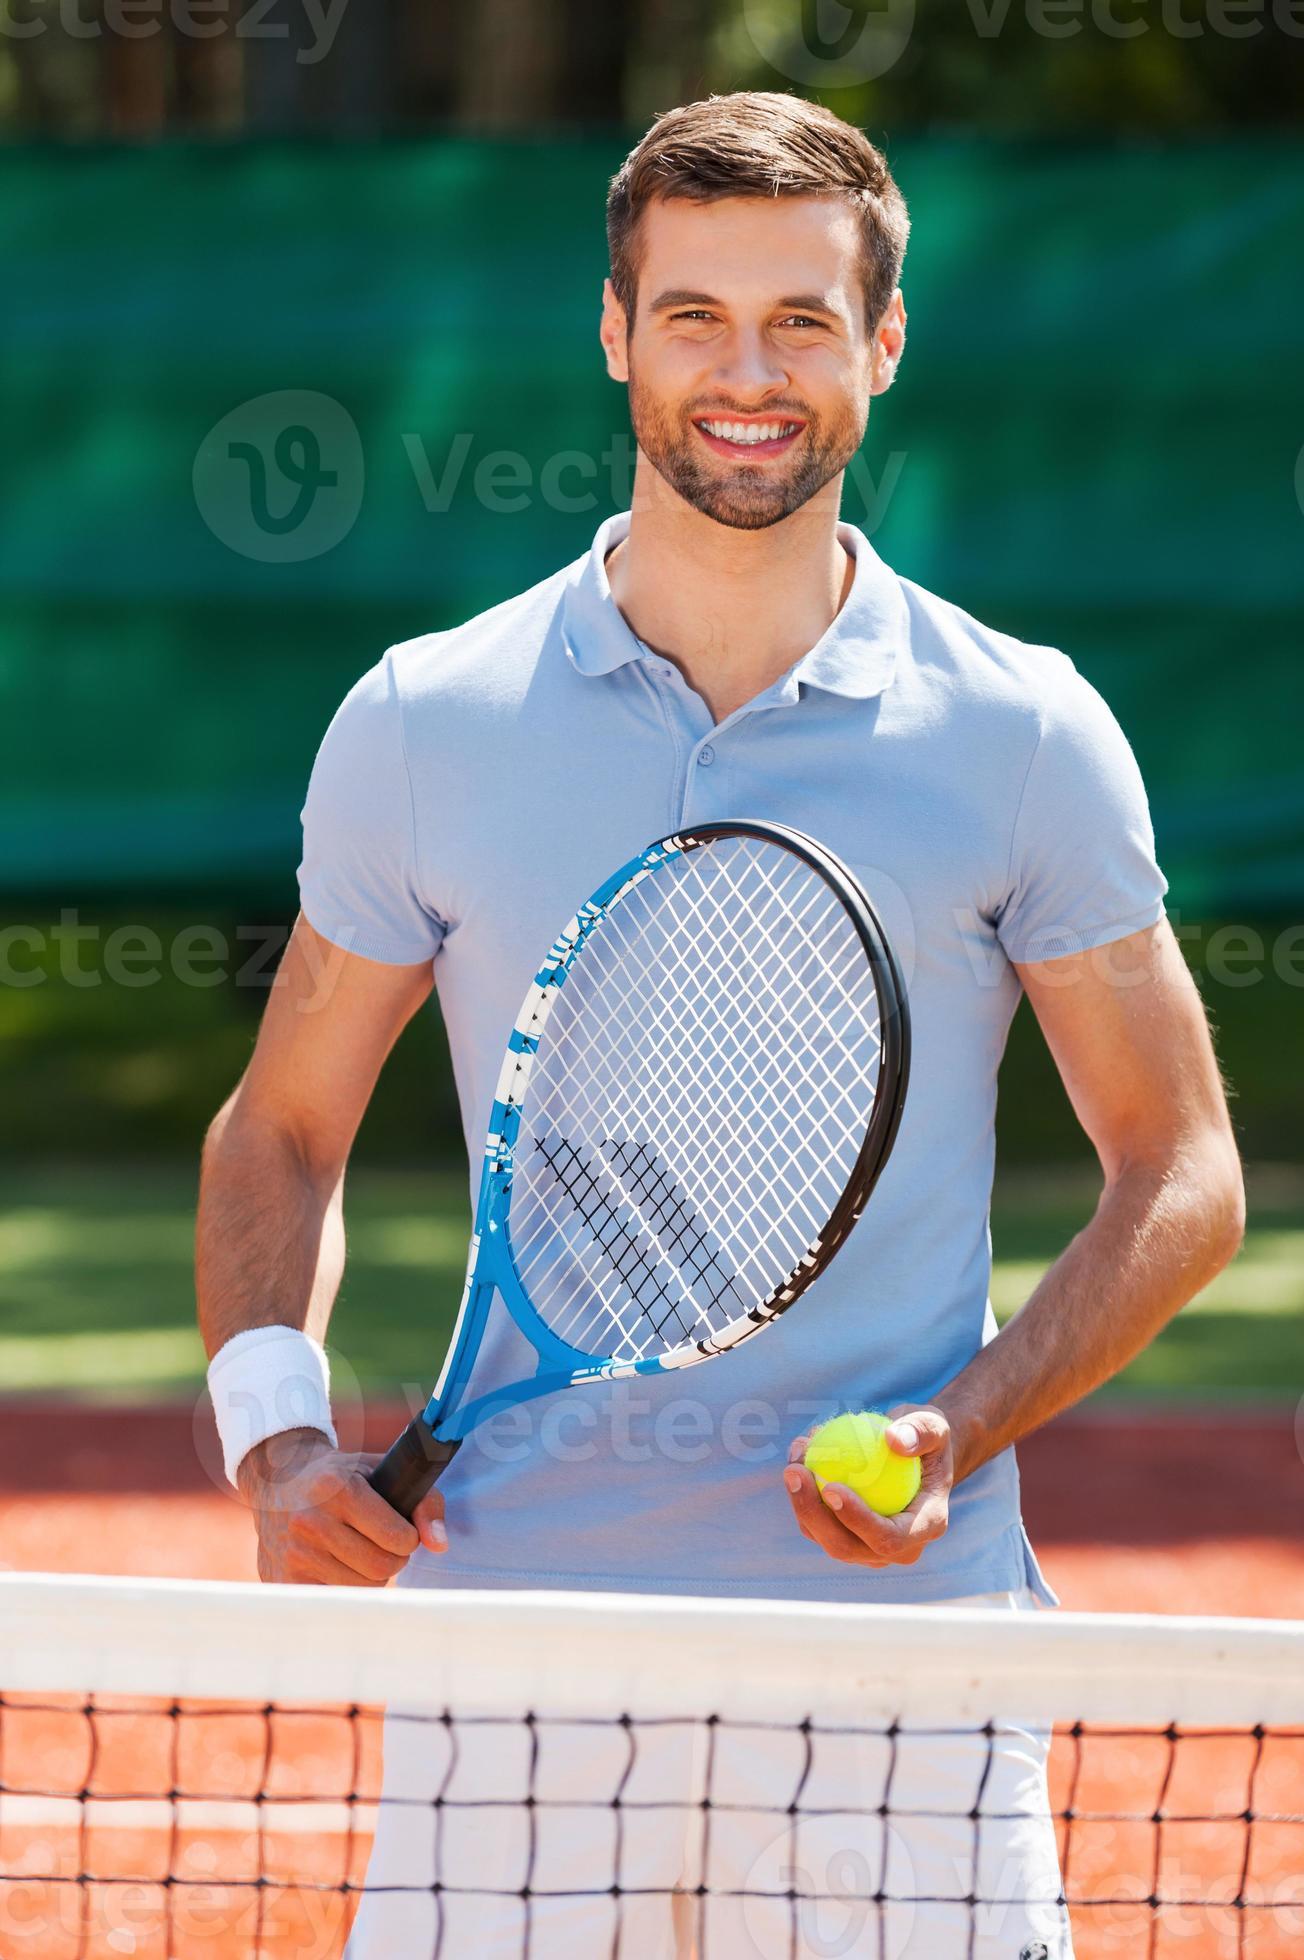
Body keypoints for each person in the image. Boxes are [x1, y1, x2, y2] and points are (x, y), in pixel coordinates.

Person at [197, 92, 1243, 1960]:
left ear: (883, 345)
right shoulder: (426, 721)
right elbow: (281, 1129)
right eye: (692, 316)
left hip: (896, 1676)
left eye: (801, 321)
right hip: (511, 1645)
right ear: (614, 335)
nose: (745, 374)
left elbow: (1183, 1169)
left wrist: (964, 1423)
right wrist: (277, 1442)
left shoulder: (1025, 735)